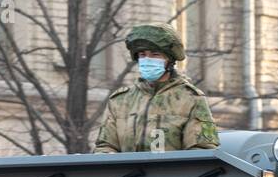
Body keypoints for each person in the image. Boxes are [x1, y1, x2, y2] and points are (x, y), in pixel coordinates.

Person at [94, 23, 219, 154]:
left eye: (155, 54)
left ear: (169, 59)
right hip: (128, 174)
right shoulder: (120, 101)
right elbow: (105, 147)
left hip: (173, 174)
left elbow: (202, 150)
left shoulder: (191, 99)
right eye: (142, 54)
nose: (147, 59)